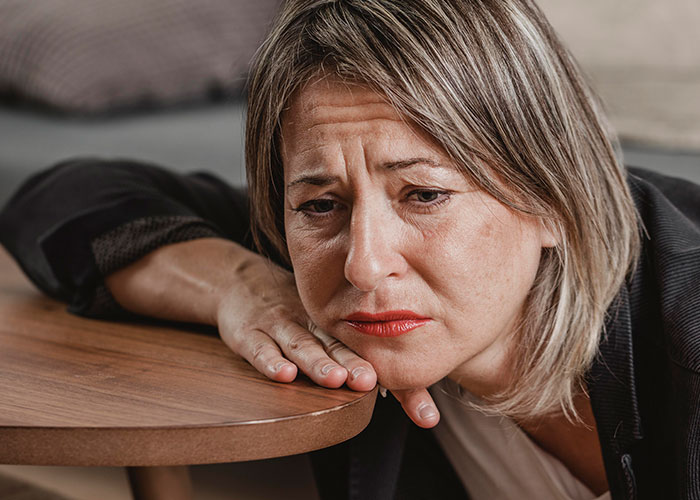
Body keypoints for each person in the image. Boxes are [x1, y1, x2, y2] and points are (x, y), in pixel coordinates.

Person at [1, 0, 698, 498]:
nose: (363, 264)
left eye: (423, 195)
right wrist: (241, 286)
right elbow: (60, 199)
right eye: (320, 205)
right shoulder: (303, 245)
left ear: (552, 196)